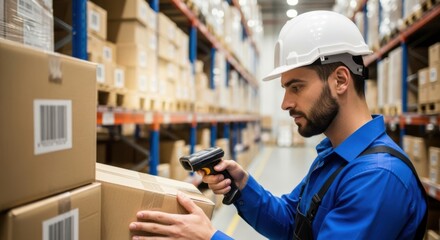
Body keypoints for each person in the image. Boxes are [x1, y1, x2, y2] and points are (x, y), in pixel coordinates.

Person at [128, 10, 427, 240]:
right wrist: (243, 187)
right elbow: (292, 223)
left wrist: (210, 236)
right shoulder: (334, 157)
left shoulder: (376, 179)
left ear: (340, 80)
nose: (284, 103)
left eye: (295, 87)